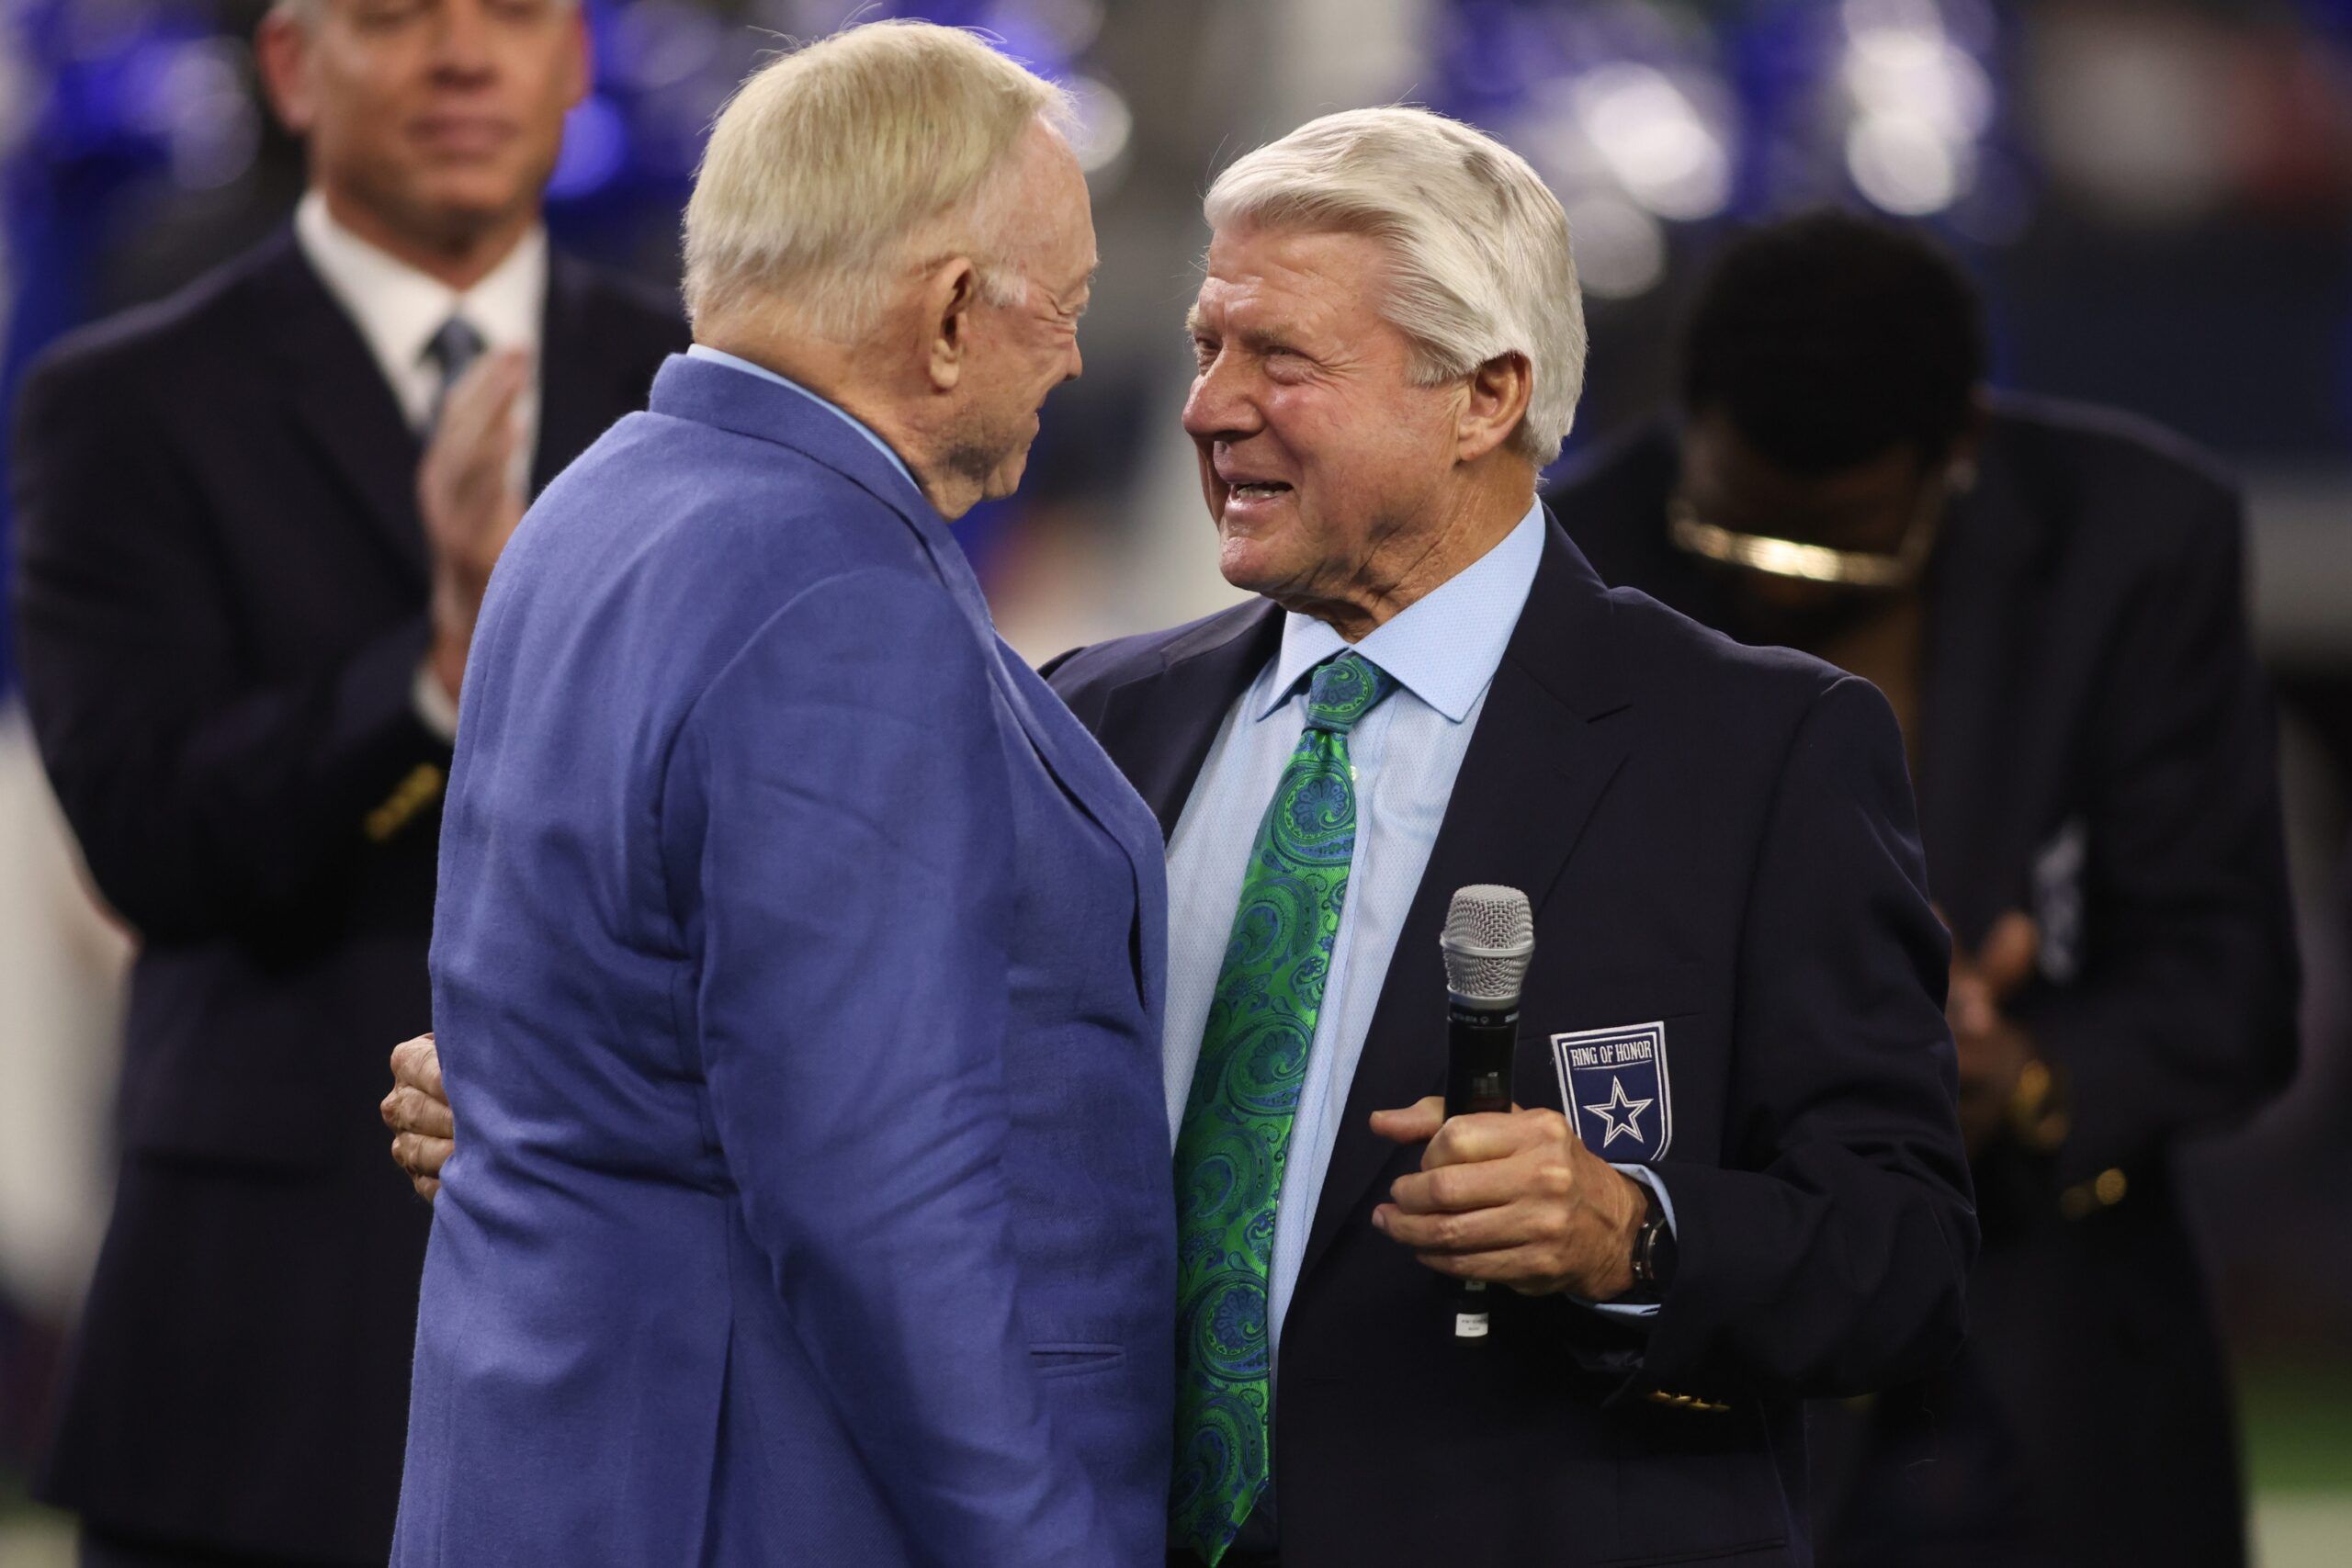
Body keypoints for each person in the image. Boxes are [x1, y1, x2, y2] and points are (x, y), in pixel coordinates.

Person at [393, 107, 1974, 1567]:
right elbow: (886, 1105)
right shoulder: (1085, 721)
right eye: (1209, 342)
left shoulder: (1758, 752)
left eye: (1279, 358)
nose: (1207, 407)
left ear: (1485, 395)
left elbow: (1903, 1250)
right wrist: (591, 1103)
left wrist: (1632, 1229)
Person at [386, 24, 1173, 1567]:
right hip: (760, 1493)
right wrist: (1039, 1546)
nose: (1075, 357)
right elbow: (874, 1195)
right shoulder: (832, 591)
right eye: (1061, 307)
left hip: (560, 1465)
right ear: (950, 313)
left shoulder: (595, 500)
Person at [6, 0, 682, 1562]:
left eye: (514, 15)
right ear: (294, 68)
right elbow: (149, 841)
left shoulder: (701, 386)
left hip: (637, 1323)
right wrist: (439, 672)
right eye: (396, 17)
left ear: (576, 65)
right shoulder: (120, 399)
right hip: (262, 1341)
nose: (463, 58)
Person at [1544, 212, 2299, 1568]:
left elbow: (2230, 983)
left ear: (1961, 447)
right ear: (1687, 425)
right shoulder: (1572, 549)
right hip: (1713, 1359)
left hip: (2041, 1352)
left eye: (1839, 544)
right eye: (1739, 535)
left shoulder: (2133, 540)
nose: (1781, 590)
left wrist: (2023, 1077)